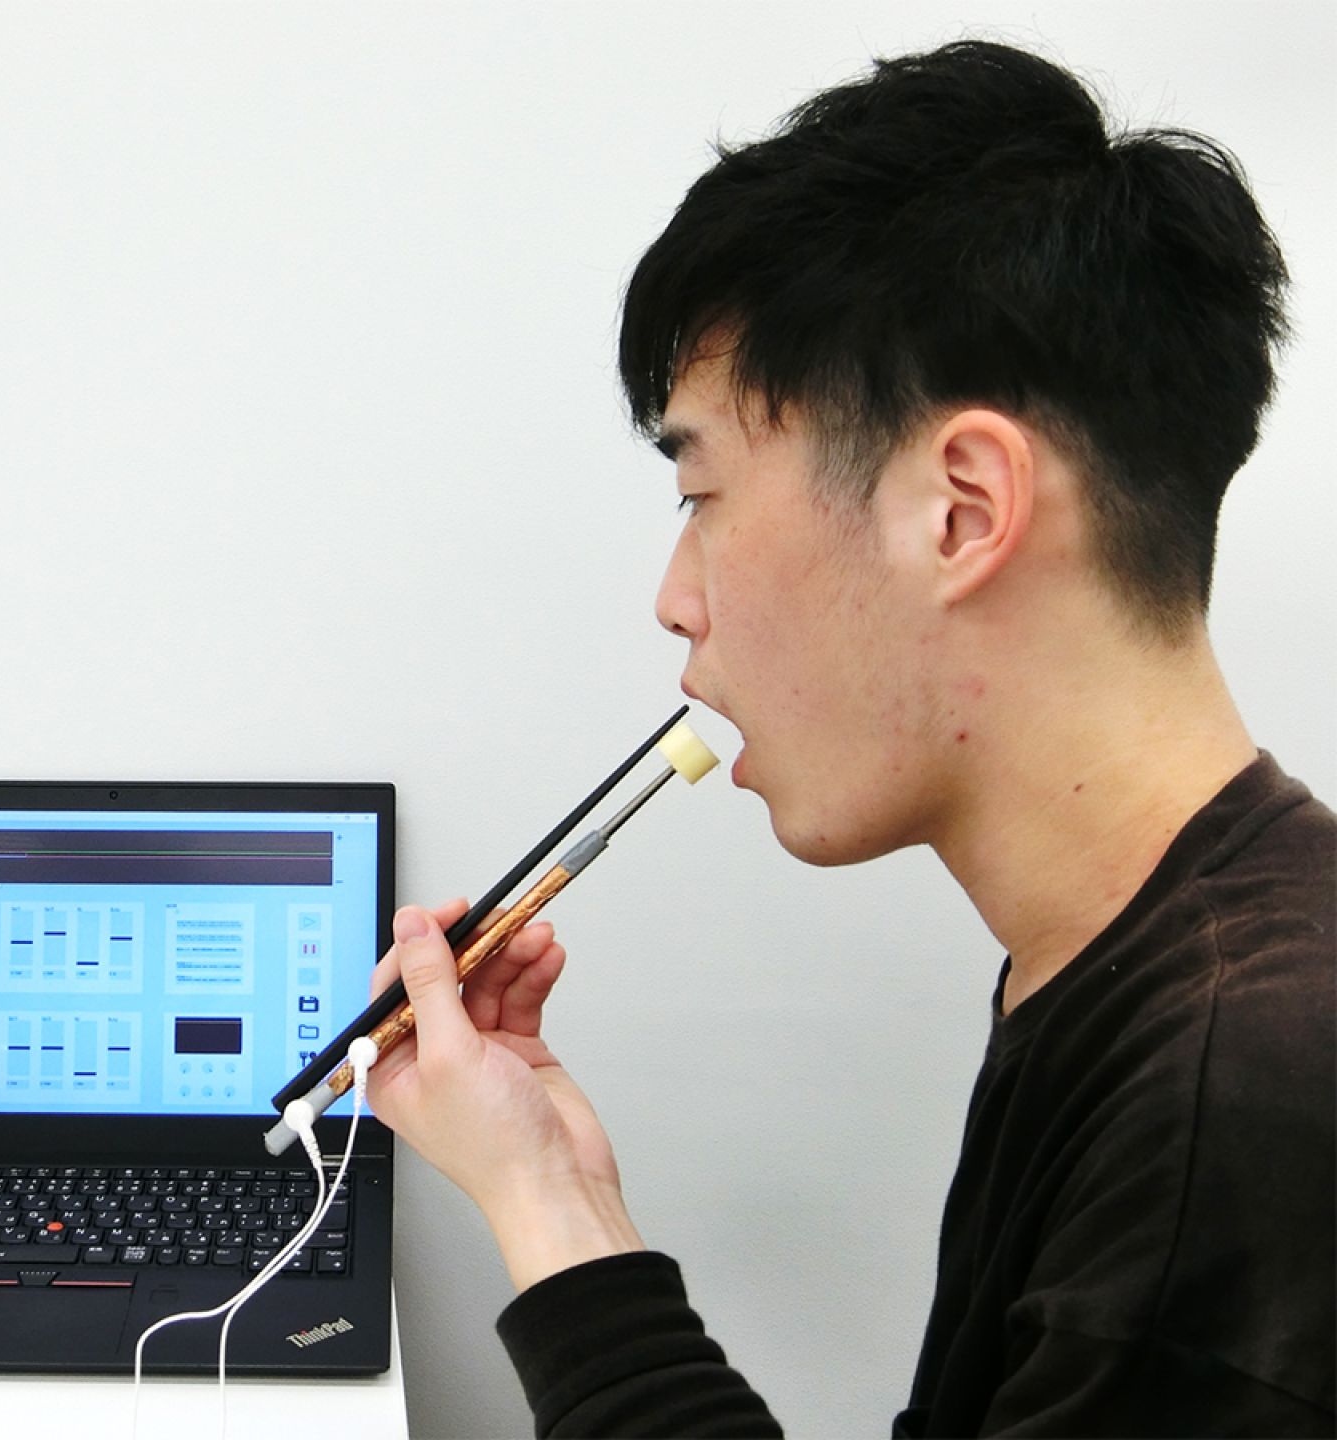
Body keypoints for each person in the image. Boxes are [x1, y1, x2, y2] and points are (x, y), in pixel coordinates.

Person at [363, 40, 1335, 1437]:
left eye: (701, 489)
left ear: (959, 509)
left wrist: (539, 1205)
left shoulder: (1235, 1106)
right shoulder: (1159, 967)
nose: (674, 599)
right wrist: (555, 1191)